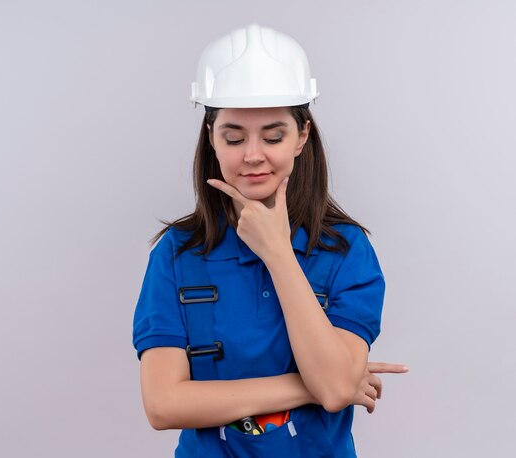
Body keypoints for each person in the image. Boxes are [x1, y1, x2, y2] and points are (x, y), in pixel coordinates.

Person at [132, 24, 407, 457]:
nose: (253, 154)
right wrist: (309, 386)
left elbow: (335, 390)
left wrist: (278, 253)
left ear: (302, 137)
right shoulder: (177, 253)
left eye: (274, 136)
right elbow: (163, 405)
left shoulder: (347, 252)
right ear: (211, 138)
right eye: (234, 137)